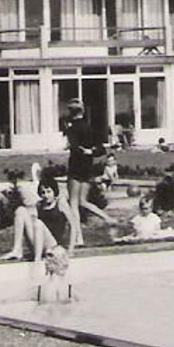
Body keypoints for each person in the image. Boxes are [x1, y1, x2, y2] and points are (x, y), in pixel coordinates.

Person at [62, 100, 115, 245]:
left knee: (73, 204)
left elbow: (73, 147)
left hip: (76, 166)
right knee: (83, 201)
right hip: (87, 167)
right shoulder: (89, 128)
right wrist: (90, 151)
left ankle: (78, 238)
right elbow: (101, 149)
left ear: (70, 113)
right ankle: (106, 218)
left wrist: (77, 148)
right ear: (83, 112)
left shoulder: (72, 129)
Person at [2, 175, 76, 269]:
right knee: (20, 210)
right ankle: (17, 250)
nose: (46, 195)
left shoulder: (61, 203)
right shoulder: (39, 205)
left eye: (49, 192)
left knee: (38, 223)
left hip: (53, 246)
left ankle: (37, 261)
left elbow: (73, 225)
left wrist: (71, 250)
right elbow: (30, 218)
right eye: (43, 192)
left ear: (54, 191)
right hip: (39, 245)